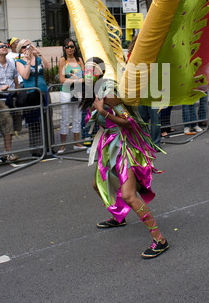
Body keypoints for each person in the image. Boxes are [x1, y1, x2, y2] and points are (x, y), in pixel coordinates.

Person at [82, 57, 169, 259]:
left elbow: (130, 123)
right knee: (98, 185)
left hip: (122, 146)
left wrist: (104, 112)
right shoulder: (92, 92)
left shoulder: (108, 93)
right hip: (108, 145)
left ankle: (160, 240)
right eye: (85, 70)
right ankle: (119, 217)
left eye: (91, 70)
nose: (86, 74)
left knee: (129, 195)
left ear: (100, 73)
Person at [16, 39, 50, 156]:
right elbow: (25, 76)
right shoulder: (19, 61)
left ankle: (49, 146)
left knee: (46, 120)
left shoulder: (38, 58)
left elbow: (47, 67)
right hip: (31, 93)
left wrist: (38, 52)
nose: (27, 48)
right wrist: (29, 61)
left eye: (29, 45)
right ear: (21, 49)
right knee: (34, 122)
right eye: (24, 47)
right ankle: (36, 149)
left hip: (44, 91)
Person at [58, 38, 85, 153]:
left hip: (78, 91)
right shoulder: (62, 61)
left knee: (77, 118)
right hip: (66, 92)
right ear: (64, 48)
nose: (70, 49)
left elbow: (85, 74)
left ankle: (76, 142)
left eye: (72, 46)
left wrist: (81, 80)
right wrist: (75, 80)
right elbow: (61, 79)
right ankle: (63, 145)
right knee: (65, 119)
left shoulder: (79, 60)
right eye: (67, 47)